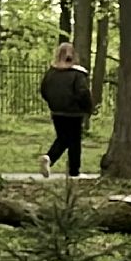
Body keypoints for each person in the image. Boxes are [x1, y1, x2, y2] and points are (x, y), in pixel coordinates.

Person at [39, 42, 94, 179]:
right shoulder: (77, 74)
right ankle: (74, 171)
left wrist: (53, 103)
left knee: (63, 138)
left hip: (57, 111)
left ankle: (49, 158)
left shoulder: (51, 73)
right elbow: (83, 92)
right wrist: (87, 107)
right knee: (74, 141)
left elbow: (44, 90)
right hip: (74, 112)